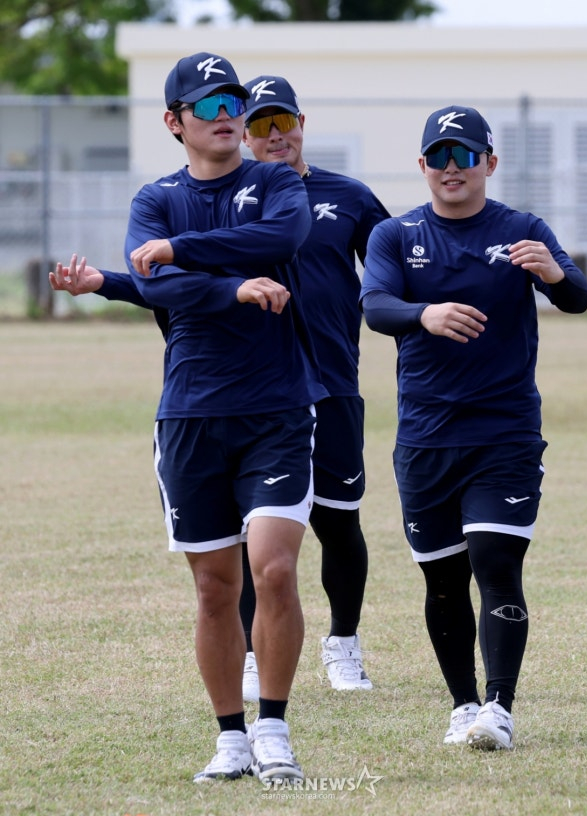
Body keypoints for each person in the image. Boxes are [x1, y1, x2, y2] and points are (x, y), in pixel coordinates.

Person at [51, 52, 328, 785]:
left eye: (231, 101)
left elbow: (281, 240)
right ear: (174, 123)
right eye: (206, 106)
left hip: (276, 407)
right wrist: (225, 289)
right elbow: (153, 282)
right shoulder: (155, 198)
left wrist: (184, 253)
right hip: (191, 413)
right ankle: (229, 739)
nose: (226, 115)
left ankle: (273, 727)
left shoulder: (273, 181)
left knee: (272, 568)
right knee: (213, 588)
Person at [359, 105, 587, 750]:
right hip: (426, 439)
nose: (452, 167)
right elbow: (376, 307)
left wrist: (550, 271)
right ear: (423, 166)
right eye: (439, 156)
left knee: (495, 562)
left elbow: (576, 295)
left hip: (505, 434)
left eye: (465, 155)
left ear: (490, 162)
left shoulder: (521, 228)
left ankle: (499, 707)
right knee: (442, 577)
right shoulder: (395, 235)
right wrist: (425, 314)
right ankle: (462, 705)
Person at [238, 75, 390, 699]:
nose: (275, 137)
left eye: (283, 122)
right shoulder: (231, 197)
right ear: (243, 136)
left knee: (338, 522)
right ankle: (251, 653)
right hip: (257, 391)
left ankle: (343, 644)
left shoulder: (348, 196)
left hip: (332, 384)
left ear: (302, 122)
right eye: (260, 126)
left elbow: (402, 263)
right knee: (256, 531)